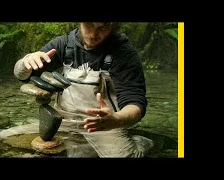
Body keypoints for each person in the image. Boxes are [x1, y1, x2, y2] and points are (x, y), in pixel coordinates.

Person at [13, 22, 153, 157]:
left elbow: (135, 103)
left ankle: (141, 142)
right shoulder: (64, 44)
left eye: (103, 27)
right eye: (89, 25)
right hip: (63, 121)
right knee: (6, 138)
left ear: (114, 25)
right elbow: (24, 77)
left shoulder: (124, 53)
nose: (93, 34)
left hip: (104, 125)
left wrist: (118, 119)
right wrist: (26, 61)